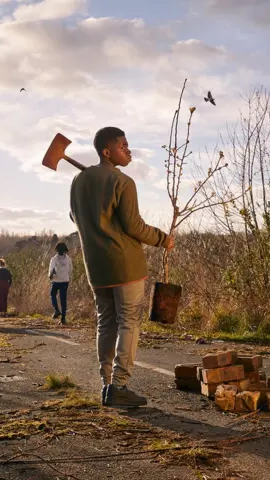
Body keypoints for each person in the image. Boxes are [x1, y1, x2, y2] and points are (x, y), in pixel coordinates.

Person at [70, 126, 174, 408]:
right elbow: (134, 226)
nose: (128, 151)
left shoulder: (78, 182)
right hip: (124, 265)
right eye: (123, 146)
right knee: (128, 321)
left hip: (97, 266)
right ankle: (119, 386)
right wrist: (163, 239)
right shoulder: (124, 182)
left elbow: (74, 217)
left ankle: (106, 384)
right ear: (107, 151)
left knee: (106, 322)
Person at [48, 242, 73, 325]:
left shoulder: (54, 259)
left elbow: (51, 271)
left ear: (57, 250)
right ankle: (63, 318)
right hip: (65, 281)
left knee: (52, 294)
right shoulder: (68, 259)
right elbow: (70, 270)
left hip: (56, 281)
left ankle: (56, 310)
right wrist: (68, 277)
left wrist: (50, 276)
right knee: (63, 300)